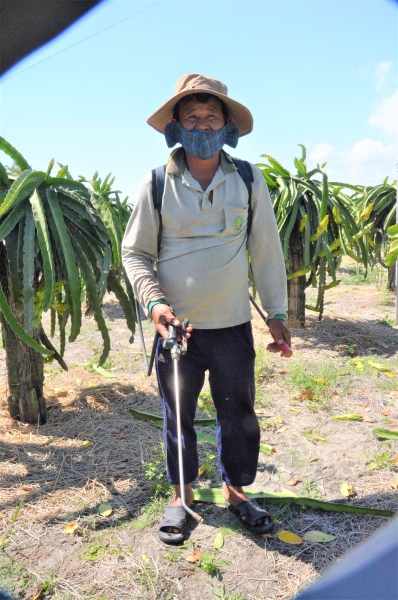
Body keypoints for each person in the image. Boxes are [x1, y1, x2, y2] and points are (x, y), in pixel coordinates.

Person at [122, 73, 291, 544]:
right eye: (191, 116)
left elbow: (266, 249)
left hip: (233, 325)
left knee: (238, 413)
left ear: (227, 127)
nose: (201, 125)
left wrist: (276, 314)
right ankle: (182, 497)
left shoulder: (247, 179)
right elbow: (134, 253)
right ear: (175, 126)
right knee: (178, 413)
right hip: (177, 331)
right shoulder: (156, 184)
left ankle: (236, 492)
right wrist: (154, 303)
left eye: (210, 117)